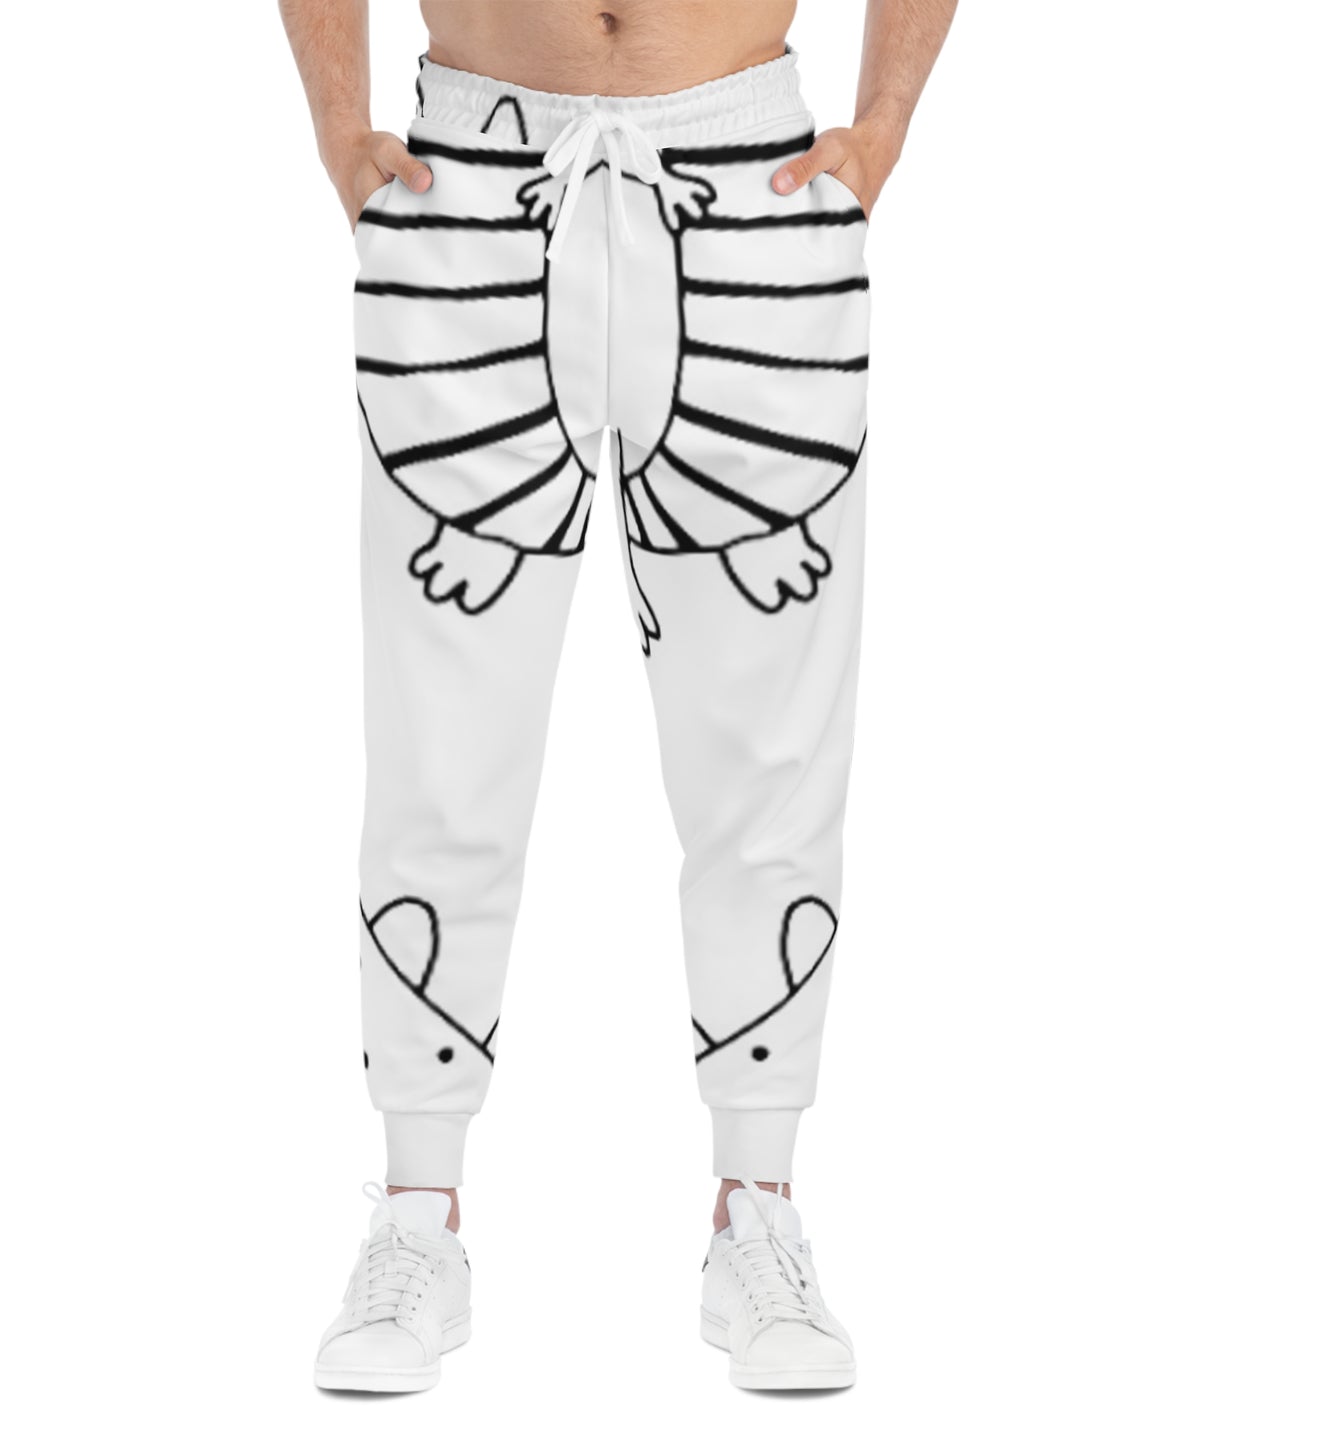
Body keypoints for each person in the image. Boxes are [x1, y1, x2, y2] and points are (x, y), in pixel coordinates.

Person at [278, 0, 957, 1394]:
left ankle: (756, 1208)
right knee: (438, 729)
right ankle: (416, 1213)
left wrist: (885, 121)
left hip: (750, 170)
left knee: (770, 732)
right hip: (467, 174)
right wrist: (337, 124)